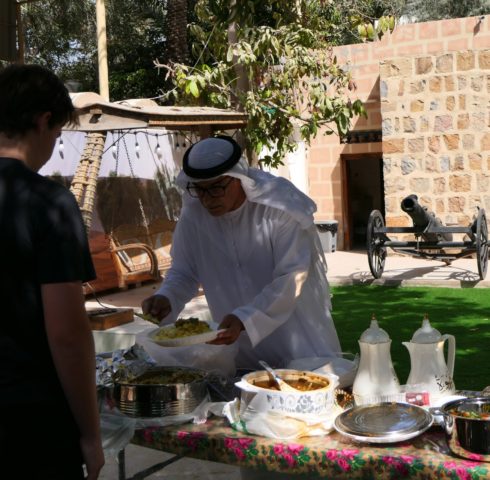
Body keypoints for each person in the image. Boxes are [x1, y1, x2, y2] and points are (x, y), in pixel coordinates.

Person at [142, 135, 341, 371]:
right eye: (199, 190)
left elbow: (291, 279)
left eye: (216, 188)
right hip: (240, 345)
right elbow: (184, 271)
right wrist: (167, 296)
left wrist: (245, 318)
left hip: (299, 341)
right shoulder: (194, 216)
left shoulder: (278, 210)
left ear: (238, 180)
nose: (207, 199)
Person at [0, 64, 104, 479]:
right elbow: (67, 336)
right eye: (58, 134)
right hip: (28, 425)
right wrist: (91, 433)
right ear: (43, 121)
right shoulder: (48, 203)